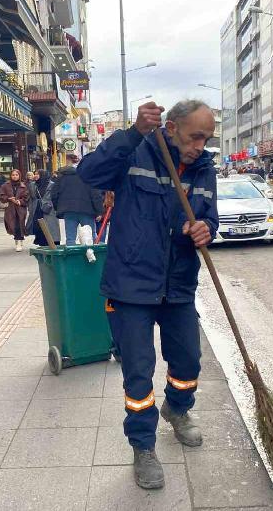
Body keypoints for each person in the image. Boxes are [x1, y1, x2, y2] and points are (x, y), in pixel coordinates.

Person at [77, 100, 218, 490]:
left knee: (188, 361)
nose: (200, 146)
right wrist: (132, 133)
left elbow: (210, 216)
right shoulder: (135, 152)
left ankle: (177, 408)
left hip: (178, 285)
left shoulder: (205, 168)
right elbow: (89, 173)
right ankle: (143, 446)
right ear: (171, 128)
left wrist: (204, 228)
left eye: (206, 139)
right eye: (195, 137)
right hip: (131, 286)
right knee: (138, 375)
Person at [51, 153, 103, 244]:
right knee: (90, 236)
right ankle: (92, 252)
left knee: (70, 238)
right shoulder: (89, 176)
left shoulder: (62, 176)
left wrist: (58, 207)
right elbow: (96, 194)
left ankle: (72, 253)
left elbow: (54, 194)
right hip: (87, 210)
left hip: (68, 209)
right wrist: (99, 211)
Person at [0, 169, 29, 252]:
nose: (15, 176)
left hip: (20, 209)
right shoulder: (5, 185)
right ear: (10, 176)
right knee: (12, 225)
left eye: (16, 175)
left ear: (19, 176)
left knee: (19, 224)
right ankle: (17, 238)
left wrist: (20, 201)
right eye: (13, 175)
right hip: (10, 208)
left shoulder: (23, 186)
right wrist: (8, 198)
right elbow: (1, 195)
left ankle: (19, 241)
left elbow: (27, 197)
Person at [29, 170, 61, 246]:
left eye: (38, 174)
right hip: (38, 209)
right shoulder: (33, 185)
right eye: (35, 174)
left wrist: (51, 205)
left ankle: (54, 244)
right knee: (40, 228)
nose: (35, 175)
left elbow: (55, 197)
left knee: (51, 228)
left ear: (43, 175)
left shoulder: (52, 184)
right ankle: (42, 245)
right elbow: (32, 198)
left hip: (49, 209)